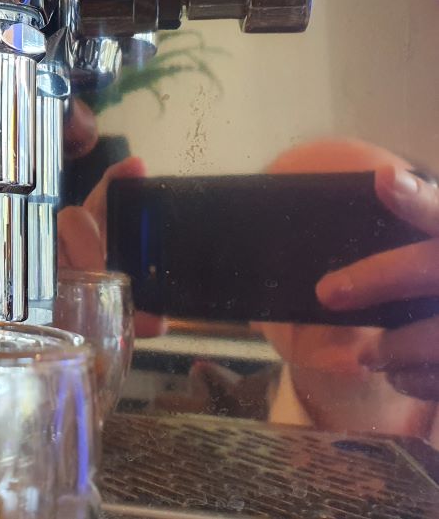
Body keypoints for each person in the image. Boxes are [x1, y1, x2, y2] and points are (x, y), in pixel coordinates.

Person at [58, 136, 439, 440]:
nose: (342, 278)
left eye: (374, 236)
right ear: (252, 314)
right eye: (291, 244)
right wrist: (58, 366)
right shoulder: (185, 438)